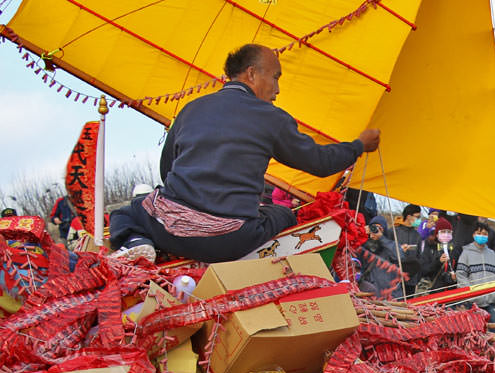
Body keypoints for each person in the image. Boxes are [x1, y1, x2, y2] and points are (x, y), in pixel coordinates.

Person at [110, 44, 380, 261]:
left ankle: (138, 242)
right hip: (229, 241)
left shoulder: (191, 109)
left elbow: (166, 169)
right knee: (283, 214)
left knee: (128, 212)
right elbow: (321, 163)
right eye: (275, 77)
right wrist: (359, 145)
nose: (277, 89)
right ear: (251, 74)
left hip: (169, 230)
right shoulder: (272, 118)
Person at [455, 222, 495, 322]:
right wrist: (470, 292)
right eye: (479, 233)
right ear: (473, 235)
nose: (482, 236)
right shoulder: (466, 253)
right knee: (474, 332)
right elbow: (461, 275)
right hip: (473, 303)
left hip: (491, 302)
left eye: (485, 234)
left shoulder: (492, 254)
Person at [358, 216, 401, 297]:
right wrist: (361, 233)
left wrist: (381, 237)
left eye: (379, 228)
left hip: (391, 294)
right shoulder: (364, 247)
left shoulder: (390, 245)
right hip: (372, 293)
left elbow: (399, 256)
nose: (375, 231)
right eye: (373, 228)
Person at [414, 217, 454, 293]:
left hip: (449, 291)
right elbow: (423, 270)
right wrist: (438, 262)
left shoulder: (453, 248)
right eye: (443, 231)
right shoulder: (429, 247)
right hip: (431, 290)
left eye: (448, 232)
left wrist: (453, 277)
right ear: (437, 234)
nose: (446, 234)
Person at [393, 204, 423, 295]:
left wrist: (417, 278)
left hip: (411, 281)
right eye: (417, 217)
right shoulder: (394, 232)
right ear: (409, 216)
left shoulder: (417, 235)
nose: (419, 220)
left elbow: (419, 257)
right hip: (395, 278)